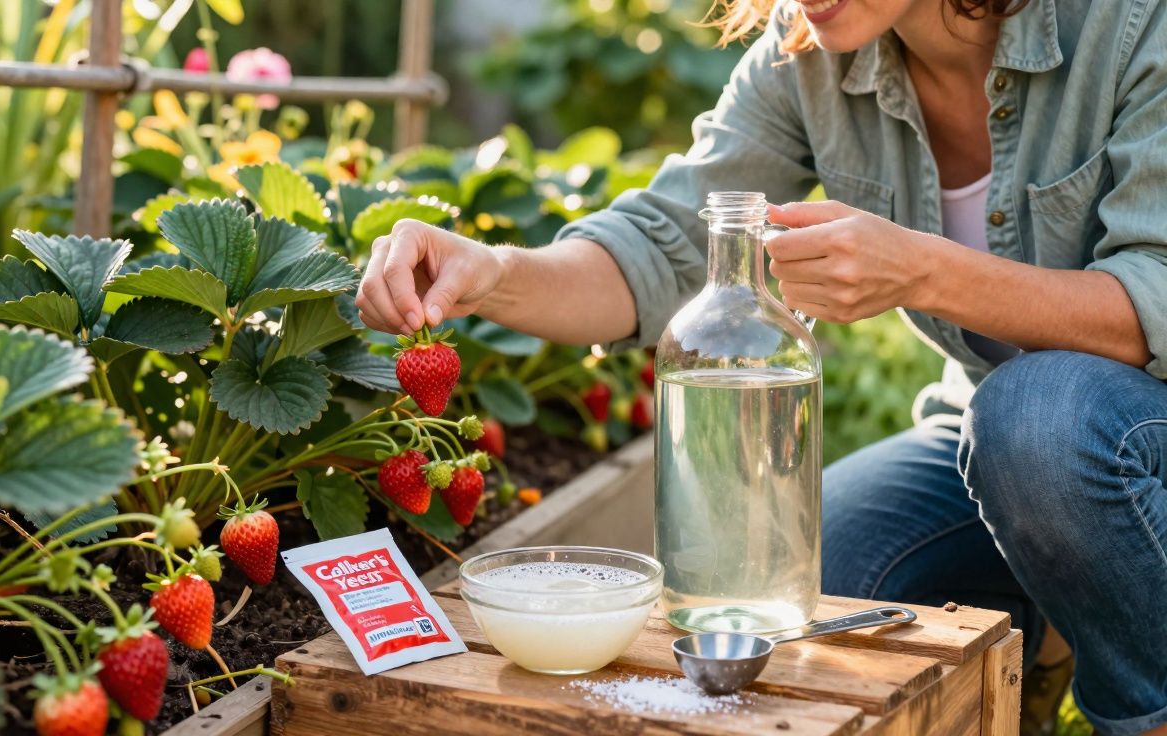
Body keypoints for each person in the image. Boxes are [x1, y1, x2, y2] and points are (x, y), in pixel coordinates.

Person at [355, 0, 1167, 733]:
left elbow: (1154, 296)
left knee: (1038, 416)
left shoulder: (1129, 21)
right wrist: (493, 273)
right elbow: (660, 247)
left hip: (1108, 422)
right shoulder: (809, 47)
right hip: (991, 436)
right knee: (816, 581)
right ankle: (1045, 642)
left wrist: (924, 271)